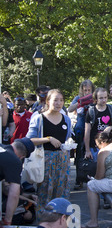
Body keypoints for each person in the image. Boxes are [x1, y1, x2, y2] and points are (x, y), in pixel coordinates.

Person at [26, 89, 72, 219]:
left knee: (62, 191)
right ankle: (44, 221)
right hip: (44, 161)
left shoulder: (66, 120)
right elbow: (29, 140)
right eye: (55, 100)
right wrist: (48, 138)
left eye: (61, 100)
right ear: (48, 101)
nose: (59, 103)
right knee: (45, 192)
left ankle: (60, 221)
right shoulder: (39, 118)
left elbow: (67, 138)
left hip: (62, 161)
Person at [0, 138, 35, 228]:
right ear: (22, 156)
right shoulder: (14, 161)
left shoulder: (2, 147)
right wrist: (7, 221)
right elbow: (14, 194)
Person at [67, 80, 95, 189]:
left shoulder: (95, 97)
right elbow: (69, 109)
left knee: (93, 153)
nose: (87, 92)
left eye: (89, 90)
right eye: (85, 90)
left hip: (92, 128)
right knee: (79, 154)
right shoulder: (78, 98)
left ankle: (93, 178)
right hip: (81, 128)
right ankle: (79, 180)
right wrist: (80, 102)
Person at [84, 87, 112, 162]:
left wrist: (110, 128)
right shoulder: (91, 112)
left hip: (109, 145)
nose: (104, 100)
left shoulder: (111, 109)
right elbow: (87, 132)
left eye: (105, 97)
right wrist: (87, 150)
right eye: (101, 98)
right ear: (96, 99)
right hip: (94, 146)